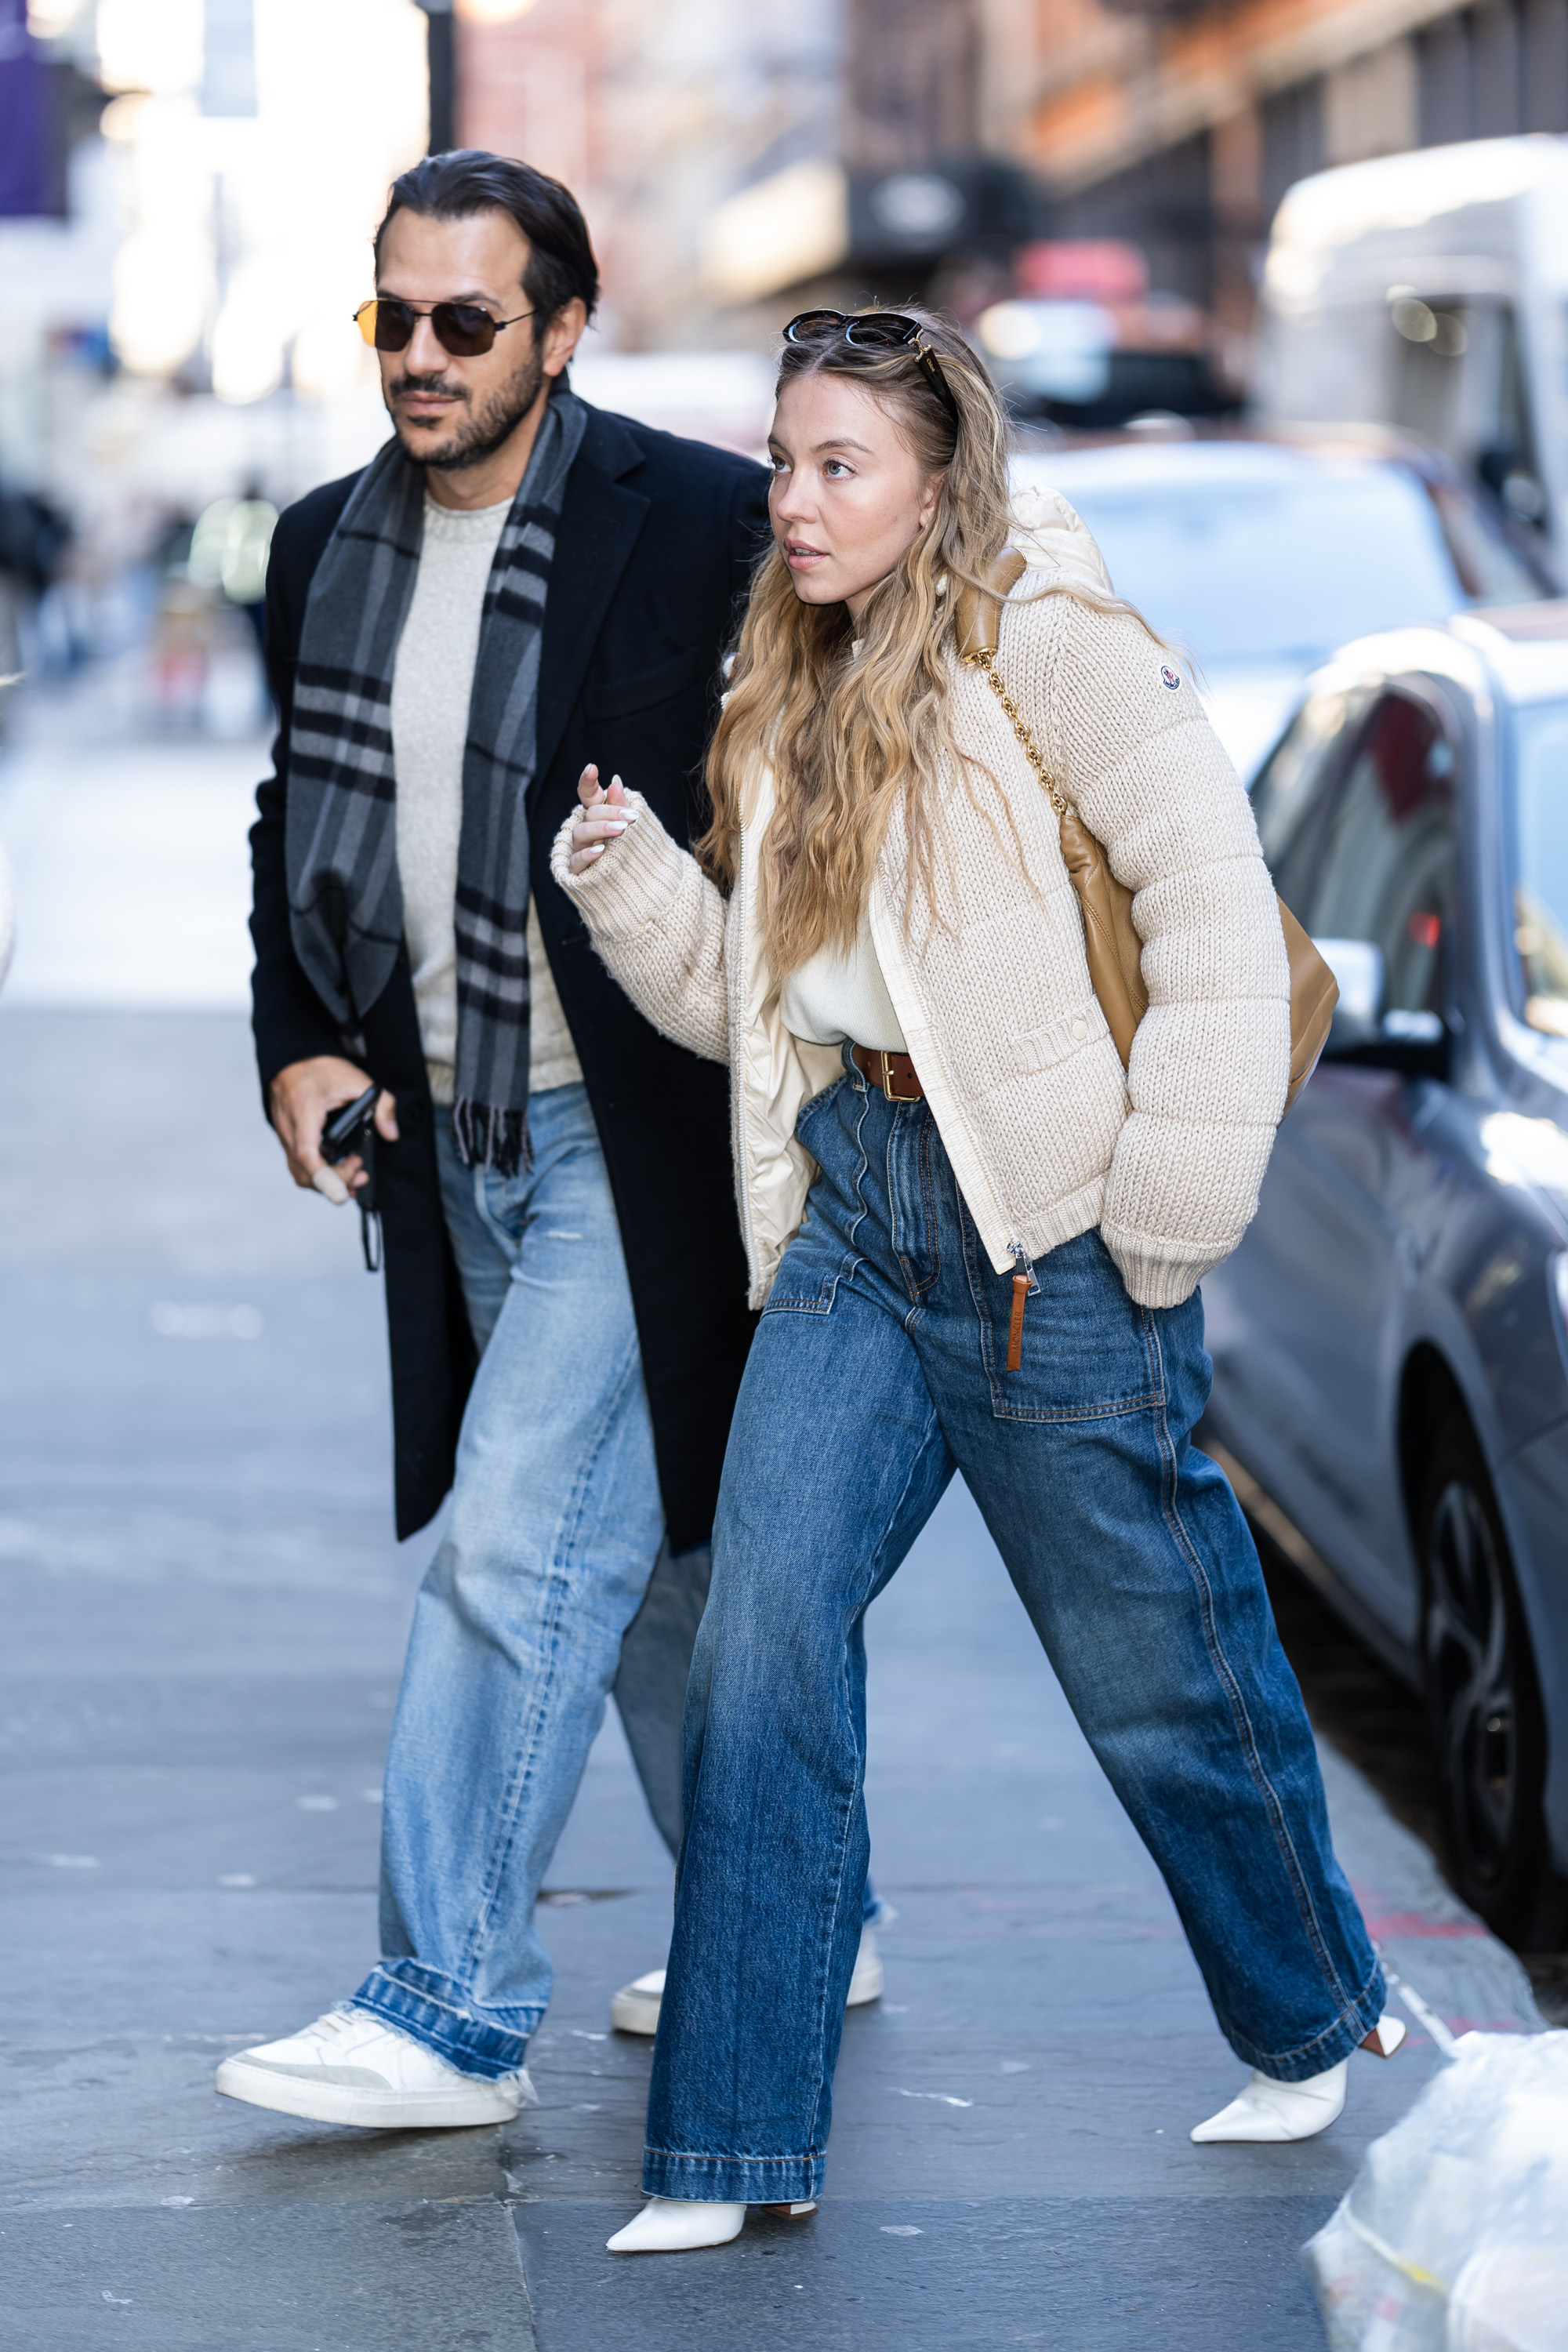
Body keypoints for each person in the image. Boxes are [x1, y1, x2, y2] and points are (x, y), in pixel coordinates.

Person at [554, 304, 1408, 2252]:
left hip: (1048, 1230)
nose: (792, 501)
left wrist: (1167, 1190)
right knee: (762, 1645)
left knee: (1158, 1670)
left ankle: (1308, 2007)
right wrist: (637, 883)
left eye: (837, 466)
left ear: (940, 486)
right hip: (856, 1212)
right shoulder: (787, 671)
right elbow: (760, 1015)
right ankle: (729, 2145)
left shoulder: (1057, 642)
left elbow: (1211, 909)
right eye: (783, 461)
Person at [220, 154, 881, 2136]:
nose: (418, 358)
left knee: (517, 1543)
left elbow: (835, 770)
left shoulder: (693, 520)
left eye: (465, 322)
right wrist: (298, 1042)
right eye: (392, 317)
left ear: (564, 326)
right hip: (447, 1144)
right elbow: (295, 823)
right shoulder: (321, 545)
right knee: (655, 1563)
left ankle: (448, 2006)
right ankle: (811, 1908)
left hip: (635, 1138)